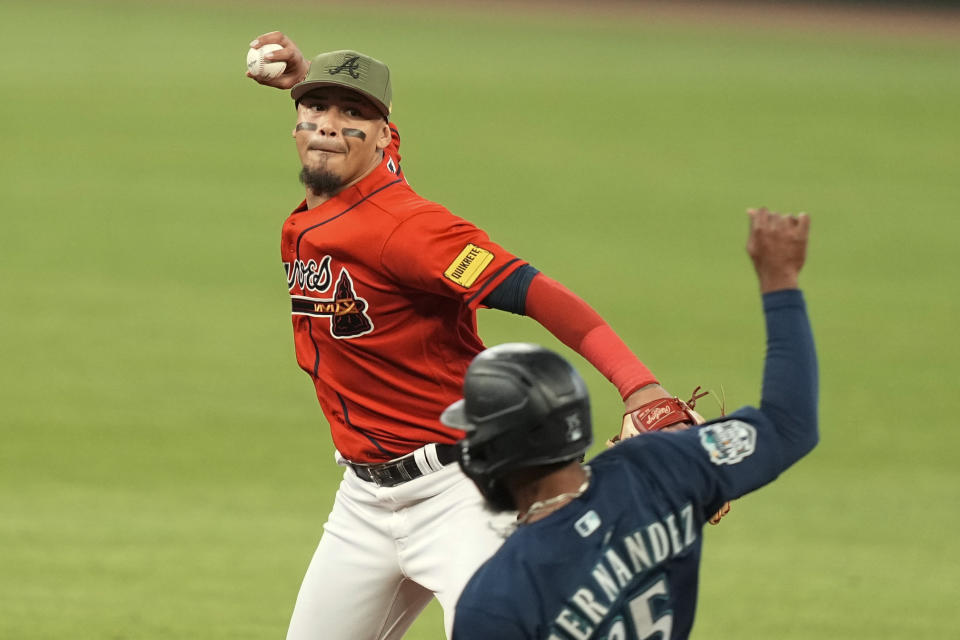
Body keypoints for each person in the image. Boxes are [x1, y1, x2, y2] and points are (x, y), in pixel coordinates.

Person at [247, 33, 718, 640]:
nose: (329, 127)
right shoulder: (330, 196)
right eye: (316, 110)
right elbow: (342, 135)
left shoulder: (411, 230)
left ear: (384, 137)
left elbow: (537, 293)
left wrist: (640, 388)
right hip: (363, 502)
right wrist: (320, 84)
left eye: (354, 114)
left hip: (463, 495)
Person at [445, 208, 816, 639]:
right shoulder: (662, 469)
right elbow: (791, 425)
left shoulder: (496, 600)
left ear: (501, 456)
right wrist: (780, 281)